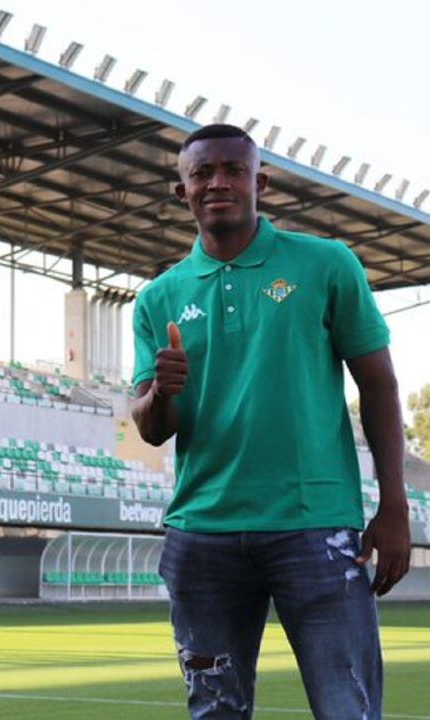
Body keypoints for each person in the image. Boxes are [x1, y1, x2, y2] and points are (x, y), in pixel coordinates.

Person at [130, 124, 410, 719]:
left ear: (261, 183)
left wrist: (394, 504)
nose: (218, 183)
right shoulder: (159, 297)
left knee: (349, 708)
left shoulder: (326, 264)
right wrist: (162, 392)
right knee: (215, 711)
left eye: (233, 170)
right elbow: (152, 426)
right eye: (202, 173)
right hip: (201, 534)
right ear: (182, 191)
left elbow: (379, 384)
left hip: (315, 528)